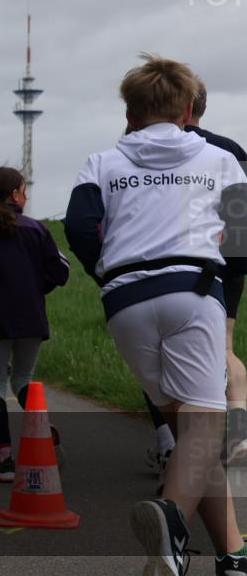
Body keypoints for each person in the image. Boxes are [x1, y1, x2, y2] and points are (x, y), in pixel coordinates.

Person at [64, 54, 247, 576]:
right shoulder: (218, 158)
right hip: (191, 293)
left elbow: (79, 227)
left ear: (130, 113)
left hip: (124, 304)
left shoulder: (103, 162)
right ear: (190, 109)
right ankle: (171, 523)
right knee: (206, 430)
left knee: (192, 437)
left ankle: (232, 555)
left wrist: (108, 271)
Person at [143, 75, 247, 472]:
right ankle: (238, 436)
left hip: (176, 265)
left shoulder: (162, 150)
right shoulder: (231, 149)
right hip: (227, 265)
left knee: (162, 357)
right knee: (224, 350)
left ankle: (173, 443)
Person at [0, 167, 70, 481]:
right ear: (14, 194)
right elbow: (62, 270)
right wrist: (36, 286)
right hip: (32, 315)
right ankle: (41, 426)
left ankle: (5, 458)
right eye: (23, 190)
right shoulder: (36, 229)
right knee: (22, 379)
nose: (27, 195)